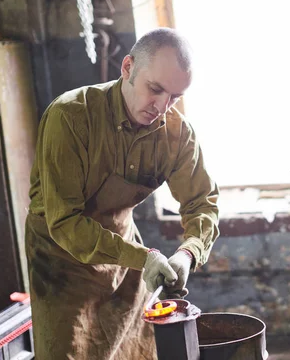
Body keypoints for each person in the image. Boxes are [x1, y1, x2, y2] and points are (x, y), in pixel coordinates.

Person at [25, 27, 220, 359]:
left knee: (135, 352)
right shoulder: (70, 118)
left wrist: (188, 252)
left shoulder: (178, 135)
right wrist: (143, 258)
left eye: (174, 97)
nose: (162, 106)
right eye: (155, 89)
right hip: (61, 263)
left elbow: (202, 202)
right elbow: (65, 222)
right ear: (127, 68)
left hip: (128, 263)